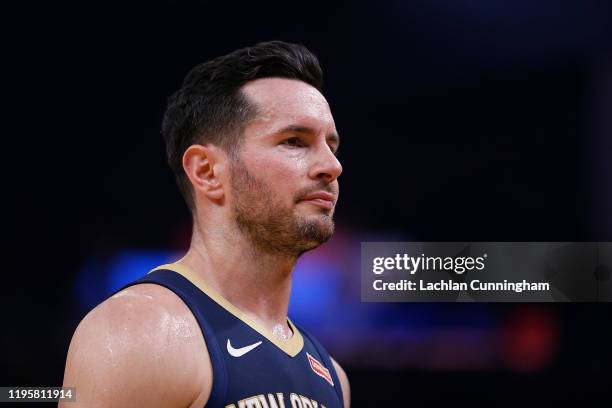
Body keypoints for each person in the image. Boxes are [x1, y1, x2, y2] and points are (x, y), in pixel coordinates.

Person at [61, 40, 350, 408]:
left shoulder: (333, 377)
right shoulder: (138, 333)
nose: (332, 166)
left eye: (332, 146)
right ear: (207, 171)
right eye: (294, 141)